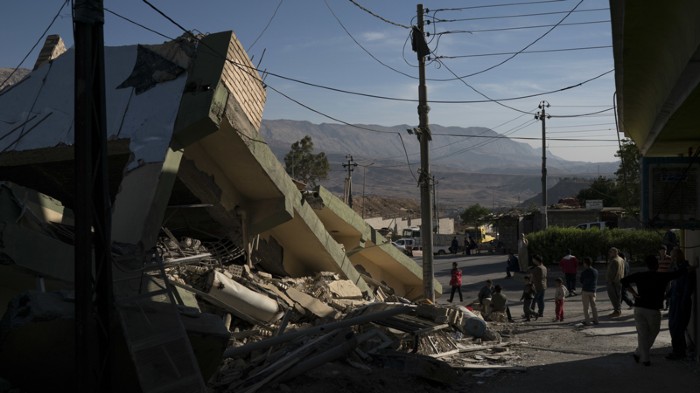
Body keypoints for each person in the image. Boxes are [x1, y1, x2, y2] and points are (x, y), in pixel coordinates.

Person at [621, 255, 696, 366]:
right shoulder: (662, 276)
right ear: (656, 265)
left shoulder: (640, 275)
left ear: (647, 265)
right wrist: (694, 266)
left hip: (639, 308)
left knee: (642, 334)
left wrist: (634, 293)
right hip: (653, 310)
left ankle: (640, 354)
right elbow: (679, 273)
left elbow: (623, 281)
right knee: (653, 333)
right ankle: (643, 357)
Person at [667, 247, 697, 360]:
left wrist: (682, 305)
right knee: (673, 327)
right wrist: (667, 295)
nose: (672, 259)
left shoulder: (686, 270)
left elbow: (687, 289)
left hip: (681, 303)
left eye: (673, 256)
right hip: (675, 302)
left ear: (678, 256)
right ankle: (678, 350)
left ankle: (679, 352)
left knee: (677, 328)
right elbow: (674, 285)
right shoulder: (678, 268)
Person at [580, 257, 599, 325]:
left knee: (586, 307)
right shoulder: (595, 271)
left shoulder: (584, 272)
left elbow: (581, 281)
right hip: (593, 290)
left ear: (585, 263)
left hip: (585, 290)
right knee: (594, 306)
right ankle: (596, 319)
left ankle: (587, 321)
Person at [606, 247, 625, 317]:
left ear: (615, 252)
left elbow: (612, 272)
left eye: (610, 252)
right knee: (618, 296)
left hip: (613, 282)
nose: (609, 253)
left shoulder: (614, 260)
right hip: (620, 280)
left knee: (614, 297)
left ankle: (617, 311)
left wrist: (610, 281)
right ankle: (618, 310)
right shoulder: (621, 259)